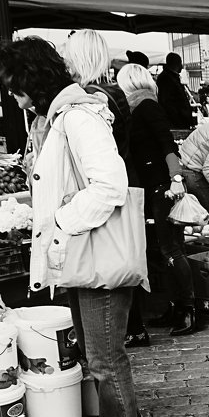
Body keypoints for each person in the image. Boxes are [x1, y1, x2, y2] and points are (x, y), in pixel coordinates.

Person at [0, 37, 146, 417]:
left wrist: (60, 220)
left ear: (32, 78)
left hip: (93, 251)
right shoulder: (57, 117)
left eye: (12, 82)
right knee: (95, 350)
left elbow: (110, 187)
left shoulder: (78, 117)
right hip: (80, 252)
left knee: (104, 353)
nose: (11, 93)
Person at [64, 30, 146, 346]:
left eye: (68, 53)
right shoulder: (108, 92)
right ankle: (132, 327)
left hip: (109, 191)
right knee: (119, 265)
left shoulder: (95, 98)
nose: (64, 60)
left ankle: (129, 329)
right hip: (122, 186)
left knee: (113, 268)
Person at [116, 63, 199, 337]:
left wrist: (175, 179)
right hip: (153, 186)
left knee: (171, 248)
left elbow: (167, 143)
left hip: (163, 187)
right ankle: (176, 307)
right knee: (165, 250)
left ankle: (188, 309)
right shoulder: (138, 108)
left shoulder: (147, 107)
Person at [157, 53, 195, 129]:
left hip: (178, 121)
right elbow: (167, 103)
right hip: (176, 123)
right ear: (175, 64)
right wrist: (180, 118)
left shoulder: (170, 77)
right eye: (180, 63)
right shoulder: (167, 79)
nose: (182, 66)